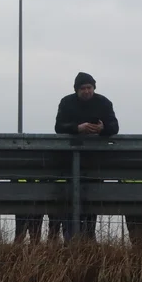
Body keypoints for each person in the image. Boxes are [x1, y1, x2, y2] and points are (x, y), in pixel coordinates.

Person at [52, 72, 119, 242]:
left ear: (94, 88)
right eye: (83, 88)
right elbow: (59, 127)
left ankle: (89, 237)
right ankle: (70, 238)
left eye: (89, 87)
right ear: (77, 90)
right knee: (70, 200)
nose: (87, 91)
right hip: (68, 161)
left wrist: (102, 130)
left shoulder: (104, 102)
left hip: (94, 161)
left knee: (91, 202)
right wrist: (77, 128)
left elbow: (114, 127)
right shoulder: (67, 102)